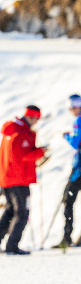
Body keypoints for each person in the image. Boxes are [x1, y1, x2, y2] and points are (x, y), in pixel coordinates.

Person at [0, 105, 47, 255]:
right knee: (22, 212)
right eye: (35, 118)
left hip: (7, 177)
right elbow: (21, 156)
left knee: (10, 209)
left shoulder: (13, 129)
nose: (36, 122)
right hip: (18, 178)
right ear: (30, 116)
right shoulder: (20, 132)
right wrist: (40, 152)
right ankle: (12, 246)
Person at [53, 94, 81, 248]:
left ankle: (67, 237)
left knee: (68, 201)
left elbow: (76, 143)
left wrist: (67, 136)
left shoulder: (78, 121)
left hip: (79, 170)